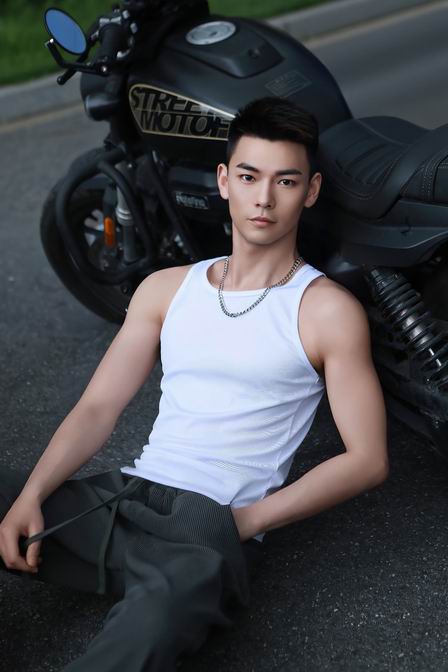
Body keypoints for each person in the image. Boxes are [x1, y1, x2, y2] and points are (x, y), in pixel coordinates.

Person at [0, 96, 389, 671]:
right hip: (129, 497)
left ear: (310, 191)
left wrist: (246, 523)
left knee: (148, 627)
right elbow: (99, 406)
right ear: (224, 181)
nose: (264, 198)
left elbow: (367, 459)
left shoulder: (325, 310)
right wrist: (31, 496)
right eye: (250, 177)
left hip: (210, 523)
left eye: (285, 181)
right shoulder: (166, 288)